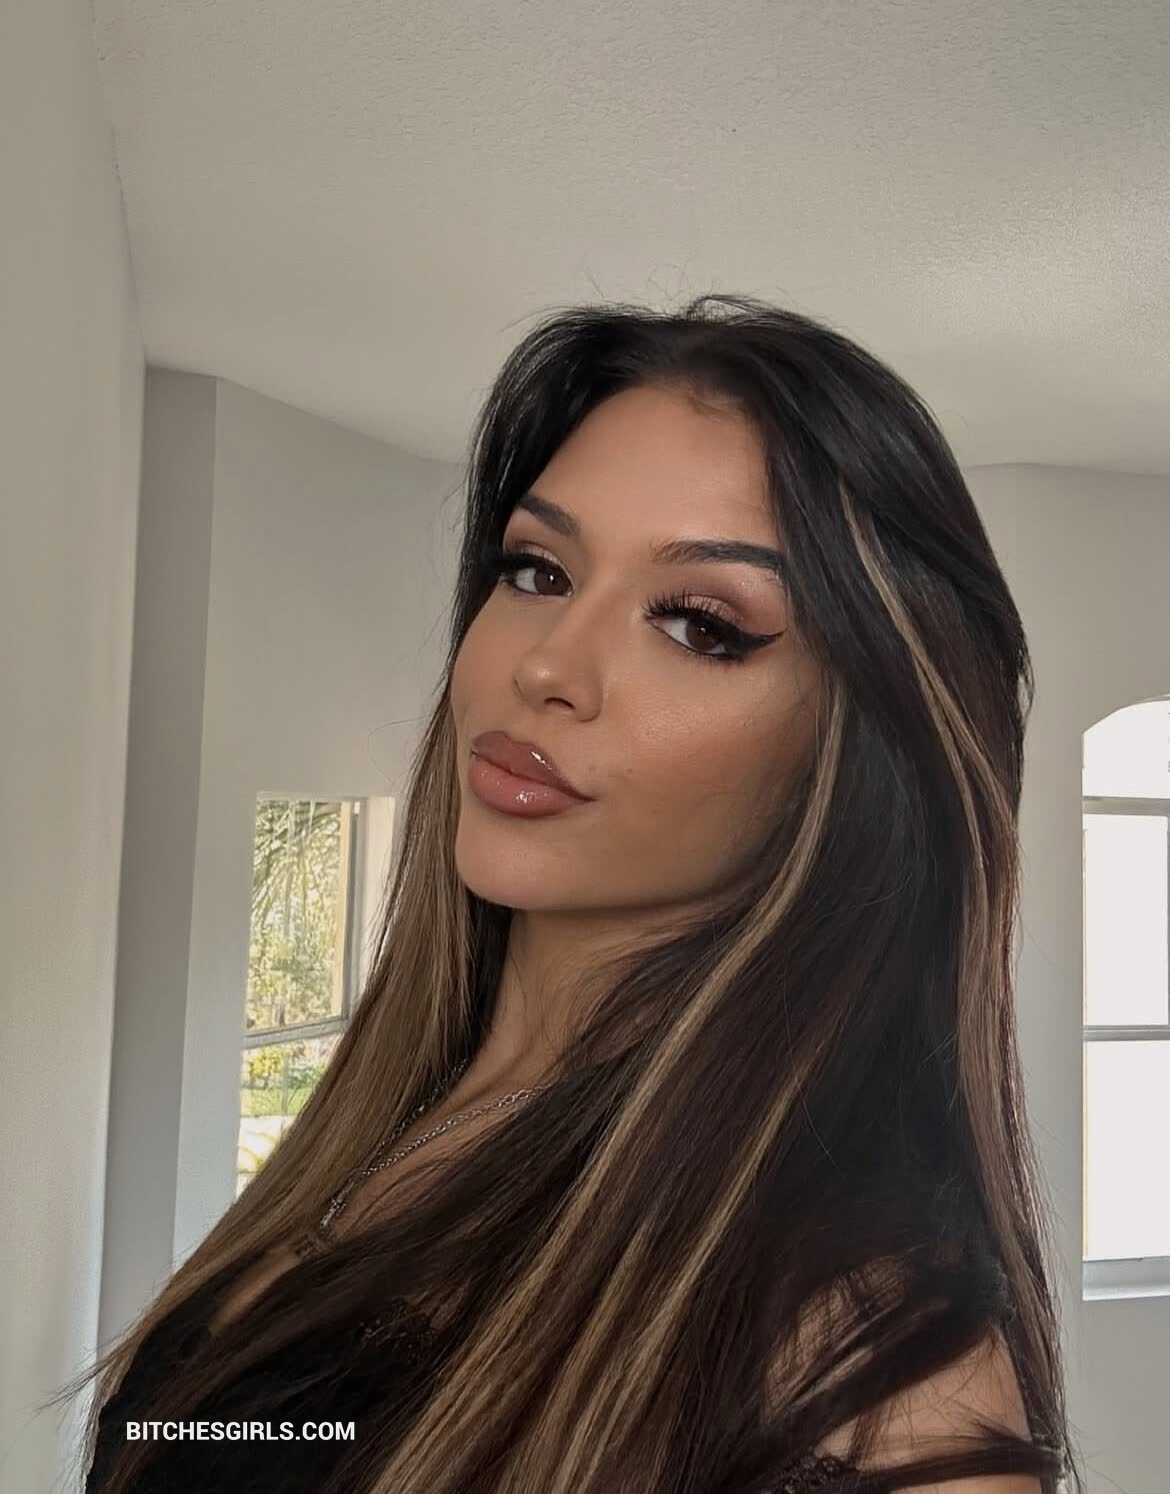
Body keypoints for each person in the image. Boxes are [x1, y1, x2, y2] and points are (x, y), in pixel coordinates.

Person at [63, 294, 1082, 1494]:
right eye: (537, 570)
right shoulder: (403, 1115)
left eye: (699, 625)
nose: (545, 664)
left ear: (856, 758)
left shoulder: (872, 1359)